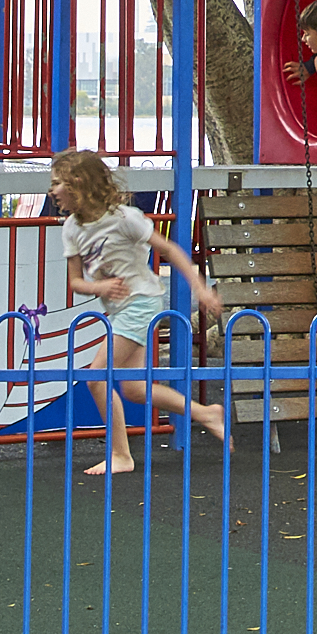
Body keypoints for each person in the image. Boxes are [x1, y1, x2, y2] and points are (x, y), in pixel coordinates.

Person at [53, 147, 228, 478]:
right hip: (120, 309)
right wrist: (101, 287)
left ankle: (121, 454)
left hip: (141, 303)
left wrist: (200, 288)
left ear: (79, 184)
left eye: (58, 183)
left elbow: (170, 249)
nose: (53, 191)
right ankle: (206, 413)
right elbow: (76, 282)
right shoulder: (72, 227)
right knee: (134, 389)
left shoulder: (124, 219)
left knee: (97, 377)